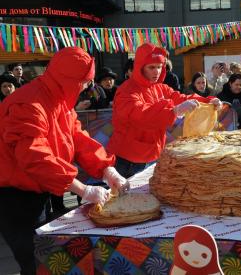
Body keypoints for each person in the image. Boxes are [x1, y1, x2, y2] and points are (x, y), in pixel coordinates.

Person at [0, 47, 129, 275]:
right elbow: (35, 157)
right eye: (85, 82)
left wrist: (107, 169)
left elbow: (77, 138)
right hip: (14, 196)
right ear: (71, 81)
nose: (88, 87)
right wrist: (82, 189)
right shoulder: (28, 103)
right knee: (35, 261)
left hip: (39, 188)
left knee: (45, 255)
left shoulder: (58, 97)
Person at [107, 43, 222, 178]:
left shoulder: (160, 88)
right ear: (140, 68)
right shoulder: (126, 91)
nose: (157, 71)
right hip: (127, 159)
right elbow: (141, 115)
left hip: (152, 153)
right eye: (152, 67)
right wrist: (174, 111)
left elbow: (180, 97)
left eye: (159, 67)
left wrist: (208, 101)